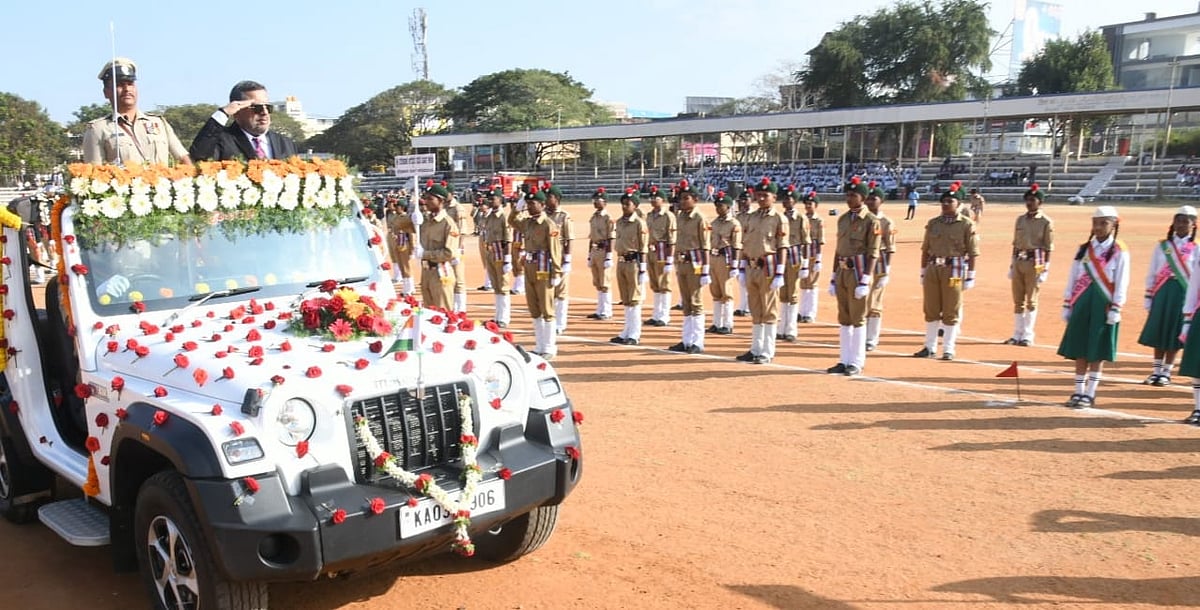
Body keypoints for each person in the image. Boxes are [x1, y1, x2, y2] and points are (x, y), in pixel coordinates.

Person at [1058, 206, 1130, 409]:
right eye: (1095, 223)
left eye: (1103, 223)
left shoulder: (1119, 251)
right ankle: (1078, 391)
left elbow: (1122, 281)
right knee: (1080, 347)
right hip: (1081, 303)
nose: (1098, 227)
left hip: (1104, 304)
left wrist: (1117, 307)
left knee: (1096, 350)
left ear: (1114, 224)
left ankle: (1090, 393)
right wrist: (1067, 303)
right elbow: (1073, 277)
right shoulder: (1084, 249)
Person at [81, 58, 192, 166]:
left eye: (130, 84)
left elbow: (183, 158)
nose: (127, 89)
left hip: (163, 183)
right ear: (106, 92)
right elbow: (94, 173)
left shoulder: (159, 123)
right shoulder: (97, 129)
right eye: (119, 85)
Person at [914, 182, 979, 361]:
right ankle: (929, 346)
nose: (945, 204)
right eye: (943, 201)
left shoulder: (966, 224)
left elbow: (973, 252)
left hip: (955, 268)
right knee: (931, 309)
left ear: (958, 204)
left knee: (951, 309)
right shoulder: (933, 223)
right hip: (933, 267)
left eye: (950, 201)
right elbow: (926, 249)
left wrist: (971, 275)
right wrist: (922, 271)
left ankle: (949, 348)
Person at [826, 177, 881, 376]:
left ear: (863, 198)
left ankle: (856, 361)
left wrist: (866, 279)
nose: (849, 198)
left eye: (853, 195)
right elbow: (838, 250)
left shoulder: (871, 221)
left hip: (858, 273)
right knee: (844, 317)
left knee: (858, 319)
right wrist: (833, 276)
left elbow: (873, 252)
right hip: (842, 271)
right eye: (847, 195)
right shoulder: (843, 219)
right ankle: (844, 359)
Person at [1137, 206, 1197, 386]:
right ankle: (1155, 370)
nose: (1180, 225)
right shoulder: (1163, 246)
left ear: (1194, 225)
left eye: (1185, 221)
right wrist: (1149, 295)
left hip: (1183, 293)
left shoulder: (1196, 247)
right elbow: (1152, 271)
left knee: (1174, 331)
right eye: (1178, 221)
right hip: (1162, 291)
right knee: (1160, 328)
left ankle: (1167, 371)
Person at [736, 177, 788, 365]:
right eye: (758, 195)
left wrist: (780, 272)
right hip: (751, 266)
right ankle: (755, 348)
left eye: (765, 195)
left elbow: (782, 246)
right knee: (755, 309)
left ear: (774, 197)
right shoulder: (752, 216)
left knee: (769, 310)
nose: (761, 198)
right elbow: (745, 243)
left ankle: (767, 350)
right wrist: (742, 267)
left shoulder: (779, 219)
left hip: (768, 267)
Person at [510, 186, 563, 358]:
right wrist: (517, 207)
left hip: (544, 268)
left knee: (547, 308)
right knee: (534, 308)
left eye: (532, 203)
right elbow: (512, 221)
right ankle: (540, 345)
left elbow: (555, 250)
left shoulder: (548, 224)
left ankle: (549, 347)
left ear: (542, 204)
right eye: (528, 203)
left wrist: (556, 272)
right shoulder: (528, 222)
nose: (529, 207)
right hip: (530, 266)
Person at [189, 80, 297, 161]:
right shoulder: (222, 141)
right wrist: (223, 113)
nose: (264, 112)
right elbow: (199, 155)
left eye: (268, 107)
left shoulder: (285, 143)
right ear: (237, 111)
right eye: (257, 108)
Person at [1005, 183, 1054, 346]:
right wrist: (1012, 264)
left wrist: (1045, 268)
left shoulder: (1046, 222)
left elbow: (1048, 247)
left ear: (1040, 202)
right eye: (1027, 200)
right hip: (1019, 260)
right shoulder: (1020, 219)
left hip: (1035, 262)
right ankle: (1016, 333)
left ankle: (1028, 334)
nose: (1029, 203)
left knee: (1031, 300)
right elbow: (1015, 243)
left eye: (1032, 200)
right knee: (1017, 299)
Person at [668, 180, 711, 354]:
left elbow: (705, 245)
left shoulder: (700, 219)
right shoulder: (679, 217)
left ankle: (697, 341)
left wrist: (706, 269)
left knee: (696, 302)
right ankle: (686, 339)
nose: (683, 201)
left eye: (687, 198)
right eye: (681, 198)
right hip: (682, 263)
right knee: (686, 302)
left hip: (696, 264)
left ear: (695, 199)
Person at [609, 188, 649, 345]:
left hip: (634, 262)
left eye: (628, 204)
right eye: (623, 204)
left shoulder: (639, 223)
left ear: (635, 206)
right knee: (626, 299)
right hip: (621, 262)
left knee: (634, 299)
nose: (625, 207)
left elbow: (643, 247)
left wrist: (643, 268)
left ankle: (634, 333)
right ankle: (626, 330)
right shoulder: (619, 222)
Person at [416, 180, 460, 311]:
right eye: (426, 198)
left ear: (441, 201)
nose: (426, 202)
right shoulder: (426, 221)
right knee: (429, 314)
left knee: (442, 314)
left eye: (430, 199)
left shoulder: (448, 224)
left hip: (441, 273)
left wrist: (425, 254)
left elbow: (449, 253)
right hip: (426, 272)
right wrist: (412, 218)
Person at [776, 185, 810, 343]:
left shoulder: (801, 218)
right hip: (781, 258)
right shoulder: (779, 218)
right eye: (785, 199)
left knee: (793, 293)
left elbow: (806, 242)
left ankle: (791, 329)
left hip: (795, 257)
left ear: (795, 201)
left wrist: (805, 264)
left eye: (790, 199)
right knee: (783, 293)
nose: (787, 202)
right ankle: (781, 327)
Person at [864, 181, 895, 352]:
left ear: (881, 201)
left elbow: (890, 248)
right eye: (867, 198)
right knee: (860, 299)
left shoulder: (886, 222)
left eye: (873, 198)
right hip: (862, 261)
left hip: (879, 263)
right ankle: (861, 334)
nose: (869, 201)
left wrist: (886, 272)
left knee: (874, 302)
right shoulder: (862, 218)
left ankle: (871, 338)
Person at [706, 192, 742, 335]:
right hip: (713, 258)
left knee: (726, 291)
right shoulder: (714, 223)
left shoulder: (734, 223)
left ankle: (727, 324)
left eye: (721, 206)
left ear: (728, 207)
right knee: (715, 291)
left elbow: (736, 245)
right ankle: (716, 322)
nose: (718, 208)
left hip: (725, 259)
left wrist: (734, 264)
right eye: (717, 205)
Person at [480, 186, 514, 328]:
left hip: (501, 252)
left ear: (500, 200)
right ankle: (498, 315)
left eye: (493, 198)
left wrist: (508, 258)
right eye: (489, 199)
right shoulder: (490, 216)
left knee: (503, 286)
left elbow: (508, 239)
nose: (490, 201)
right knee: (496, 285)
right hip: (491, 252)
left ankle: (504, 317)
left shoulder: (503, 217)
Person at [644, 186, 677, 327]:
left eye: (655, 198)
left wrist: (670, 259)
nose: (652, 201)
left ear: (662, 200)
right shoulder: (650, 215)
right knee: (655, 284)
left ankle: (664, 315)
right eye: (651, 198)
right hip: (651, 250)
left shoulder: (668, 216)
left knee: (664, 284)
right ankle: (656, 314)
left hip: (662, 250)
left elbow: (672, 239)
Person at [545, 183, 574, 334]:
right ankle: (549, 319)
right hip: (545, 258)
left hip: (560, 258)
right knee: (547, 290)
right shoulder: (543, 215)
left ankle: (560, 323)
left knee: (561, 292)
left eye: (549, 196)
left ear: (556, 199)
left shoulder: (564, 216)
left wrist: (567, 260)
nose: (546, 199)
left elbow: (569, 239)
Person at [586, 187, 616, 321]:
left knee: (605, 282)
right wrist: (589, 254)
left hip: (604, 250)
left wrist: (609, 255)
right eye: (594, 200)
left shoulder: (608, 218)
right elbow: (591, 237)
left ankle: (607, 310)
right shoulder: (593, 217)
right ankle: (600, 309)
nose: (595, 203)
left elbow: (611, 237)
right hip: (595, 250)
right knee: (597, 282)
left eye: (598, 200)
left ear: (605, 202)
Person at [798, 191, 824, 324]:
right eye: (806, 204)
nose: (808, 206)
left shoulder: (818, 221)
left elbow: (820, 240)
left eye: (811, 204)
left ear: (816, 205)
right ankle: (802, 311)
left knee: (812, 284)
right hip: (802, 254)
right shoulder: (802, 219)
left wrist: (819, 258)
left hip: (813, 254)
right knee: (803, 283)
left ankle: (810, 313)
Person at [385, 195, 416, 296]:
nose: (395, 207)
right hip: (397, 243)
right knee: (402, 266)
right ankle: (406, 287)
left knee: (406, 267)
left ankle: (410, 288)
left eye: (398, 206)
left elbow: (410, 234)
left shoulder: (406, 218)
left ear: (402, 208)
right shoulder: (397, 217)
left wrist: (412, 248)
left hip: (404, 244)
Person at [734, 190, 754, 316]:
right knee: (740, 279)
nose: (742, 202)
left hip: (751, 251)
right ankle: (743, 305)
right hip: (740, 251)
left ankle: (749, 307)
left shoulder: (755, 215)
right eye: (741, 200)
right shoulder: (738, 217)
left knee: (750, 280)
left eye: (745, 200)